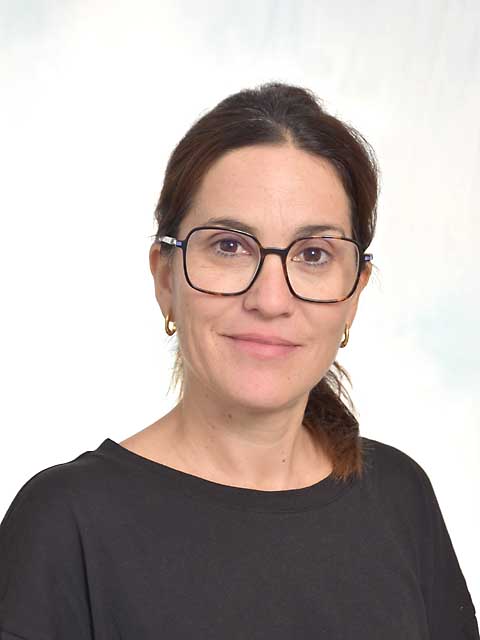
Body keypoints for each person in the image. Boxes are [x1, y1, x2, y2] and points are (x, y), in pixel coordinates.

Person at [0, 82, 478, 639]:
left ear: (354, 294)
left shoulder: (400, 497)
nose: (270, 300)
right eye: (229, 246)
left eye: (313, 254)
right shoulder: (65, 524)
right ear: (165, 278)